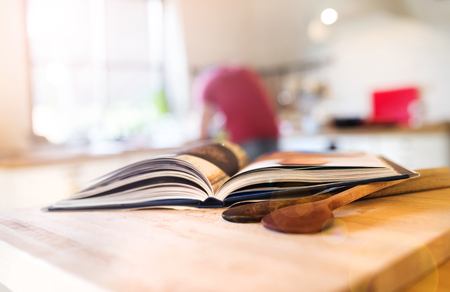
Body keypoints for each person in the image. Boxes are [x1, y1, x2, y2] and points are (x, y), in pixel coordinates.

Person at [194, 64, 279, 161]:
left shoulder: (205, 82)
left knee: (250, 175)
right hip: (272, 134)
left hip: (246, 140)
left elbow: (203, 130)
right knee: (272, 171)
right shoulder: (243, 71)